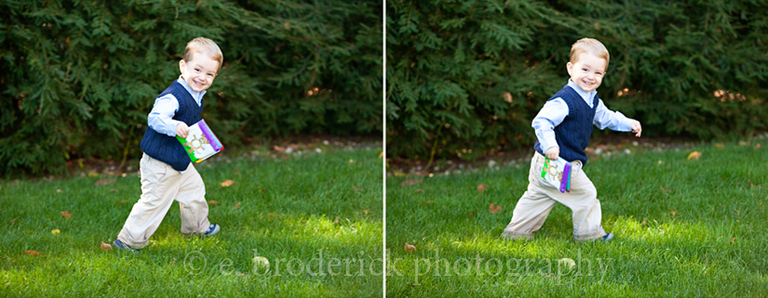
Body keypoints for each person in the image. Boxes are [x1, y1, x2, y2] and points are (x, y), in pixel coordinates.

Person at [501, 37, 642, 242]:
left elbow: (606, 117)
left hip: (545, 164)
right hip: (558, 162)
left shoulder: (592, 98)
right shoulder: (564, 100)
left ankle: (516, 234)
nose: (590, 77)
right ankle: (590, 236)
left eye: (597, 72)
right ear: (570, 68)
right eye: (585, 70)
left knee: (539, 196)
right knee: (586, 194)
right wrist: (550, 144)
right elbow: (542, 121)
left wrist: (627, 123)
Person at [114, 37, 223, 252]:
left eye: (209, 74)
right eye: (197, 69)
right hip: (160, 163)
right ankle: (128, 241)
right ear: (183, 66)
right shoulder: (173, 96)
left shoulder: (196, 93)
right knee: (154, 202)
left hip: (179, 160)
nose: (202, 77)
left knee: (194, 191)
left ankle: (196, 228)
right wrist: (173, 126)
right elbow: (155, 118)